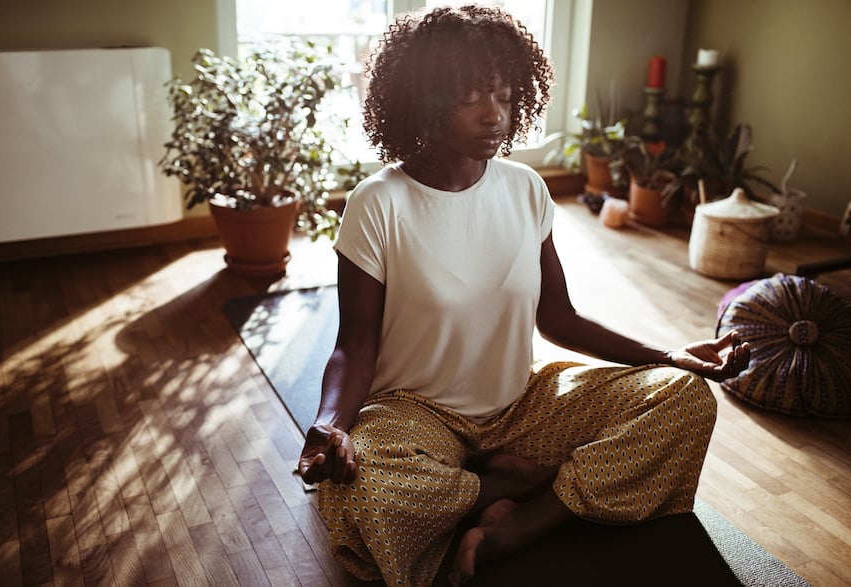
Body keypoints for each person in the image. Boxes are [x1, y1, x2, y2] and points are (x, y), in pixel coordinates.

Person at [297, 5, 751, 586]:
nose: (496, 116)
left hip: (521, 404)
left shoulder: (527, 188)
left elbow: (557, 316)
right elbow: (354, 342)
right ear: (425, 101)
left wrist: (667, 358)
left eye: (507, 96)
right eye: (470, 98)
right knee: (363, 491)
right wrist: (331, 423)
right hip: (413, 412)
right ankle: (512, 482)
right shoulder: (377, 203)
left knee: (684, 399)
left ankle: (529, 519)